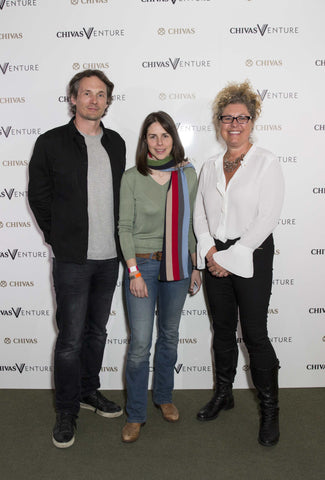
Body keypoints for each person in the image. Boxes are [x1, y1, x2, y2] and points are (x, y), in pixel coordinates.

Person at [28, 69, 126, 448]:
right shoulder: (51, 143)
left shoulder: (116, 143)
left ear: (107, 101)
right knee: (70, 339)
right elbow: (39, 196)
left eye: (101, 95)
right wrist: (59, 238)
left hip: (108, 259)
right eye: (86, 93)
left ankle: (89, 392)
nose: (94, 100)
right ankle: (66, 410)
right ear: (73, 98)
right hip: (72, 260)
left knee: (97, 332)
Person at [193, 81, 284, 446]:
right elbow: (200, 212)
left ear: (252, 120)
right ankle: (223, 394)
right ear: (218, 122)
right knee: (223, 329)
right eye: (227, 118)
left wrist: (231, 258)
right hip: (215, 255)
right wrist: (210, 251)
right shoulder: (211, 164)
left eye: (241, 117)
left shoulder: (267, 162)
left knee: (256, 336)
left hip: (252, 254)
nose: (234, 124)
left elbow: (268, 218)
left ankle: (270, 412)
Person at [118, 111, 201, 443]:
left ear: (173, 139)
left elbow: (192, 225)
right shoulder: (131, 177)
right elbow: (124, 227)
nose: (159, 142)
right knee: (140, 345)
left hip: (179, 266)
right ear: (144, 141)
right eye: (152, 136)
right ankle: (136, 414)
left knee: (169, 335)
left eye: (165, 135)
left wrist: (195, 266)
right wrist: (133, 271)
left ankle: (164, 397)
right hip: (143, 267)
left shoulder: (187, 175)